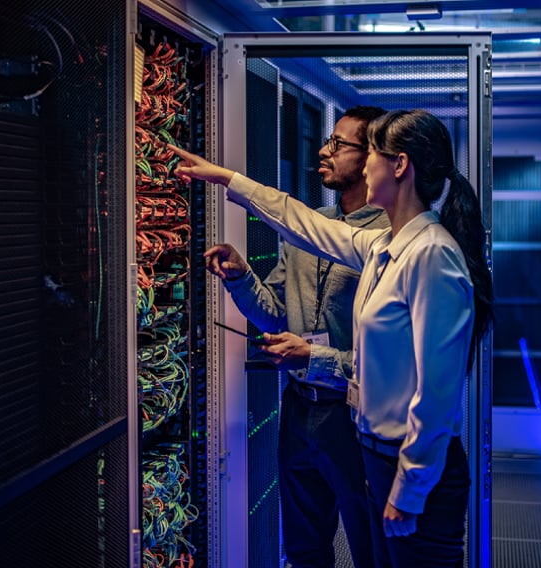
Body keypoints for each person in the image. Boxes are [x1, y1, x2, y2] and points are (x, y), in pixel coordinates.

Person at [170, 108, 494, 568]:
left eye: (372, 156)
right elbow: (301, 222)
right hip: (377, 455)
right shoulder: (385, 247)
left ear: (399, 166)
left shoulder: (432, 256)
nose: (364, 168)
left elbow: (438, 393)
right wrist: (225, 179)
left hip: (409, 467)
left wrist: (409, 489)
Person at [201, 106, 390, 568]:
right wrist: (241, 276)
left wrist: (315, 354)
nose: (324, 151)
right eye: (327, 140)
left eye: (339, 144)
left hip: (355, 414)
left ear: (371, 159)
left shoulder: (390, 239)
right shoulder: (307, 230)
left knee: (371, 547)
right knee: (304, 549)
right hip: (300, 409)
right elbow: (275, 317)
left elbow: (392, 361)